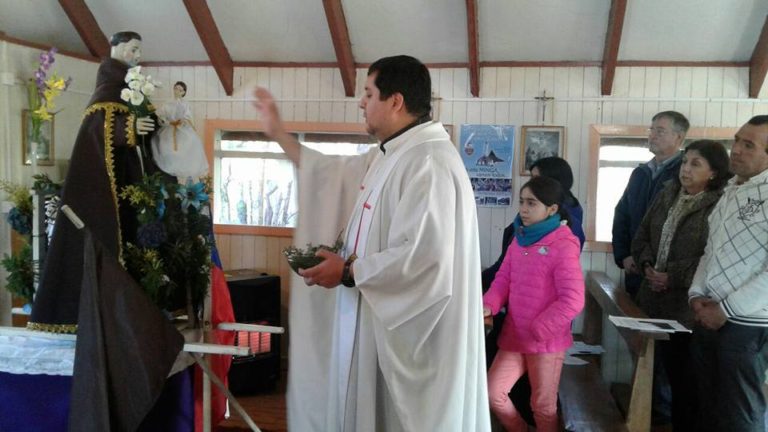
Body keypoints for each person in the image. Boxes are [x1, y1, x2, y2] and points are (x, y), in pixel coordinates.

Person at [253, 55, 490, 431]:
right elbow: (329, 172)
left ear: (395, 101)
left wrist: (348, 271)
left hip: (412, 347)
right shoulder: (391, 155)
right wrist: (278, 134)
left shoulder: (427, 161)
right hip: (372, 330)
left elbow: (426, 258)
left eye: (368, 93)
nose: (361, 102)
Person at [30, 31, 159, 332]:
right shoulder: (108, 83)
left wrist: (148, 123)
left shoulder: (127, 83)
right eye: (132, 49)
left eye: (139, 51)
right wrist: (129, 127)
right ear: (115, 48)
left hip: (125, 176)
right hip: (101, 183)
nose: (137, 56)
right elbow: (96, 128)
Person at [631, 140, 731, 431]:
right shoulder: (667, 194)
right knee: (651, 369)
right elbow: (643, 235)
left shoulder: (720, 203)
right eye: (685, 162)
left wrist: (671, 275)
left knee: (685, 381)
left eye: (695, 164)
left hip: (687, 307)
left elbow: (712, 255)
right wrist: (648, 266)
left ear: (713, 172)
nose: (686, 169)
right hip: (652, 297)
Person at [480, 156, 584, 426]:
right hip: (515, 336)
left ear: (551, 210)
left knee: (543, 406)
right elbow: (503, 279)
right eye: (522, 202)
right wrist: (488, 304)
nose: (523, 210)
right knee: (494, 393)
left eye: (531, 203)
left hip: (544, 341)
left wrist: (540, 328)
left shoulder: (563, 244)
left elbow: (573, 300)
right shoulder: (519, 238)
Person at [688, 115, 768, 432]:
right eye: (736, 140)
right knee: (708, 410)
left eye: (748, 145)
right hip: (710, 315)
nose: (735, 150)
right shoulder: (731, 191)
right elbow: (712, 251)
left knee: (739, 416)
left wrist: (726, 309)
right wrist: (696, 294)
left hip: (747, 323)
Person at [613, 110, 689, 297]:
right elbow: (622, 214)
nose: (652, 135)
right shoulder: (640, 174)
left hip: (669, 276)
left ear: (678, 137)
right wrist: (624, 255)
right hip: (636, 267)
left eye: (660, 131)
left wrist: (669, 271)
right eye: (651, 130)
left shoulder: (685, 174)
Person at [151, 81, 209, 180]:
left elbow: (188, 116)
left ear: (183, 92)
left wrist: (184, 121)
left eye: (180, 90)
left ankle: (181, 166)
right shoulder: (167, 103)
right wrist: (163, 119)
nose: (177, 91)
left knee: (187, 145)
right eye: (175, 88)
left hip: (181, 129)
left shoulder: (185, 104)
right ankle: (168, 166)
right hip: (169, 128)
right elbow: (160, 114)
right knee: (166, 148)